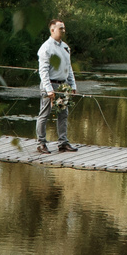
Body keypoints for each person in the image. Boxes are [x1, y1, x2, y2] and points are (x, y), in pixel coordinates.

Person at [35, 20, 79, 155]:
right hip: (51, 85)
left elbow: (68, 67)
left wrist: (72, 85)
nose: (64, 30)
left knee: (63, 114)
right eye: (61, 28)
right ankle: (41, 143)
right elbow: (43, 71)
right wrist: (49, 89)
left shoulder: (65, 47)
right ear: (52, 30)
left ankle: (63, 143)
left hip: (63, 85)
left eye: (64, 28)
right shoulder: (46, 48)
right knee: (45, 114)